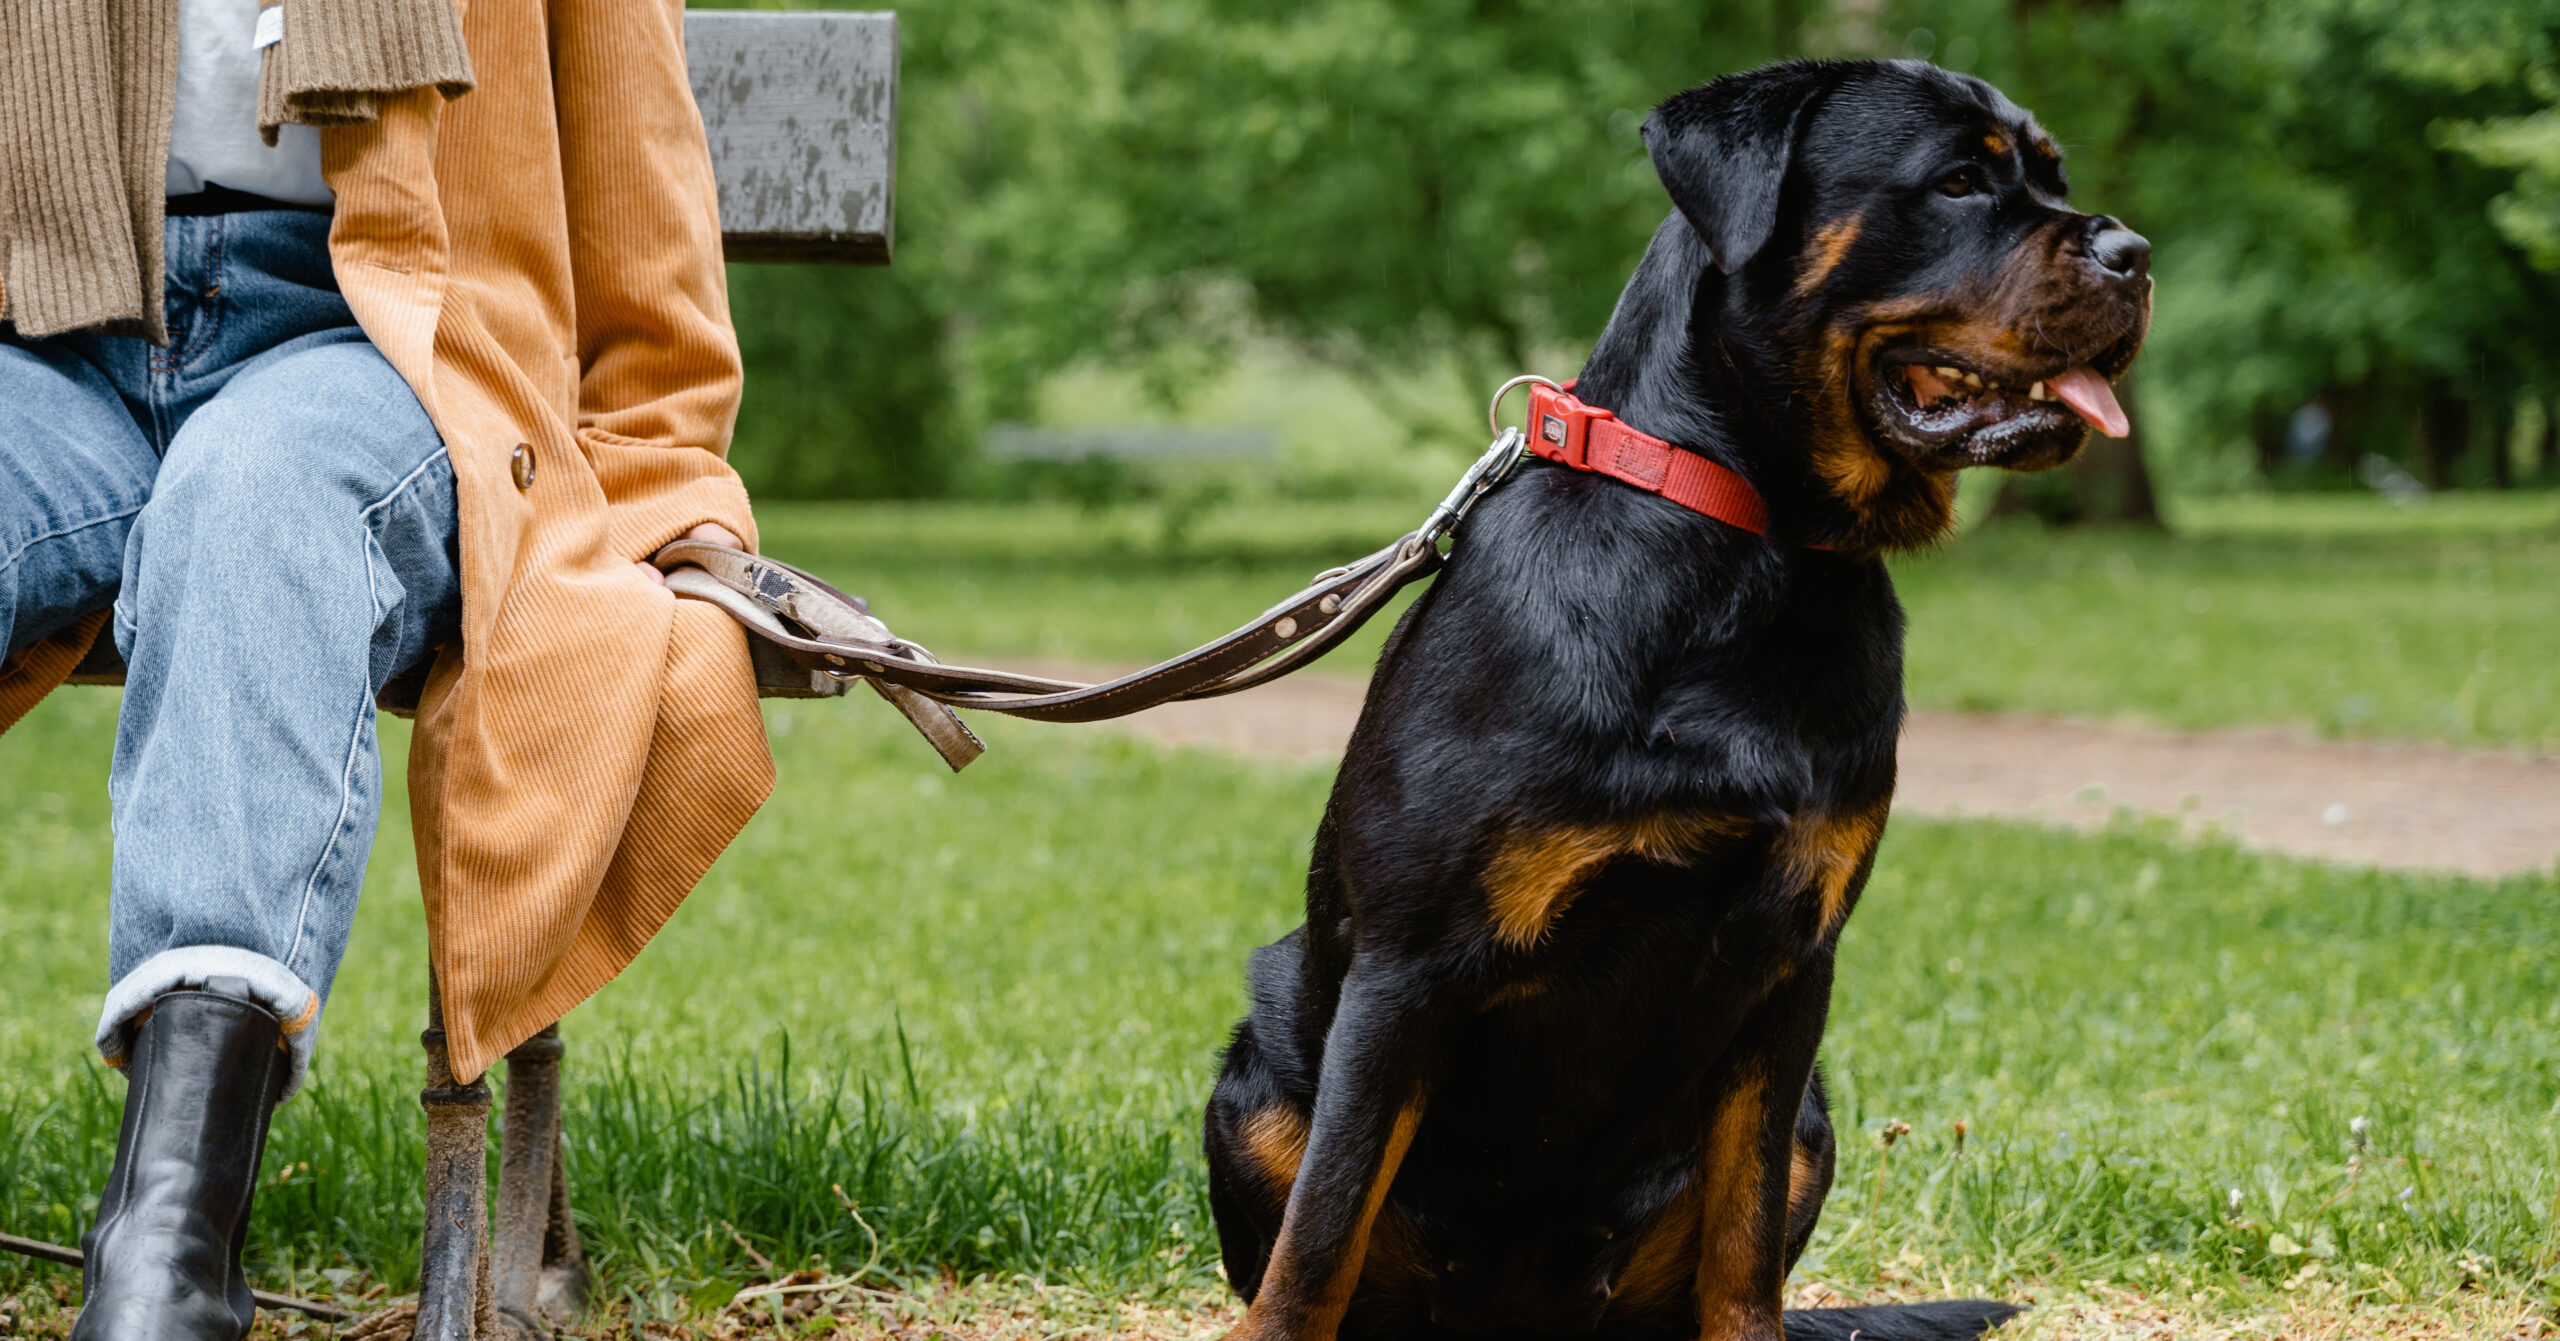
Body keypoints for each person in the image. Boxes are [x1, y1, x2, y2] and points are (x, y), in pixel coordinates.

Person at [0, 0, 776, 1335]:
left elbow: (631, 152)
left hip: (383, 330)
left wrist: (662, 464)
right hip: (50, 326)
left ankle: (166, 1247)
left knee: (255, 508)